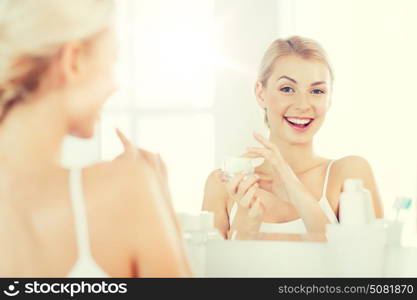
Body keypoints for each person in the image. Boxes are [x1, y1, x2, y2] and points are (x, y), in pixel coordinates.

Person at [0, 0, 190, 277]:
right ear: (73, 60)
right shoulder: (126, 188)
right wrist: (160, 203)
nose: (116, 83)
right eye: (113, 58)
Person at [203, 36, 383, 240]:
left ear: (329, 98)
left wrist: (290, 180)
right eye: (287, 89)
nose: (303, 104)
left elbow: (368, 265)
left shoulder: (350, 174)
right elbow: (218, 270)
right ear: (261, 94)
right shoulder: (222, 185)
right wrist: (245, 222)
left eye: (317, 91)